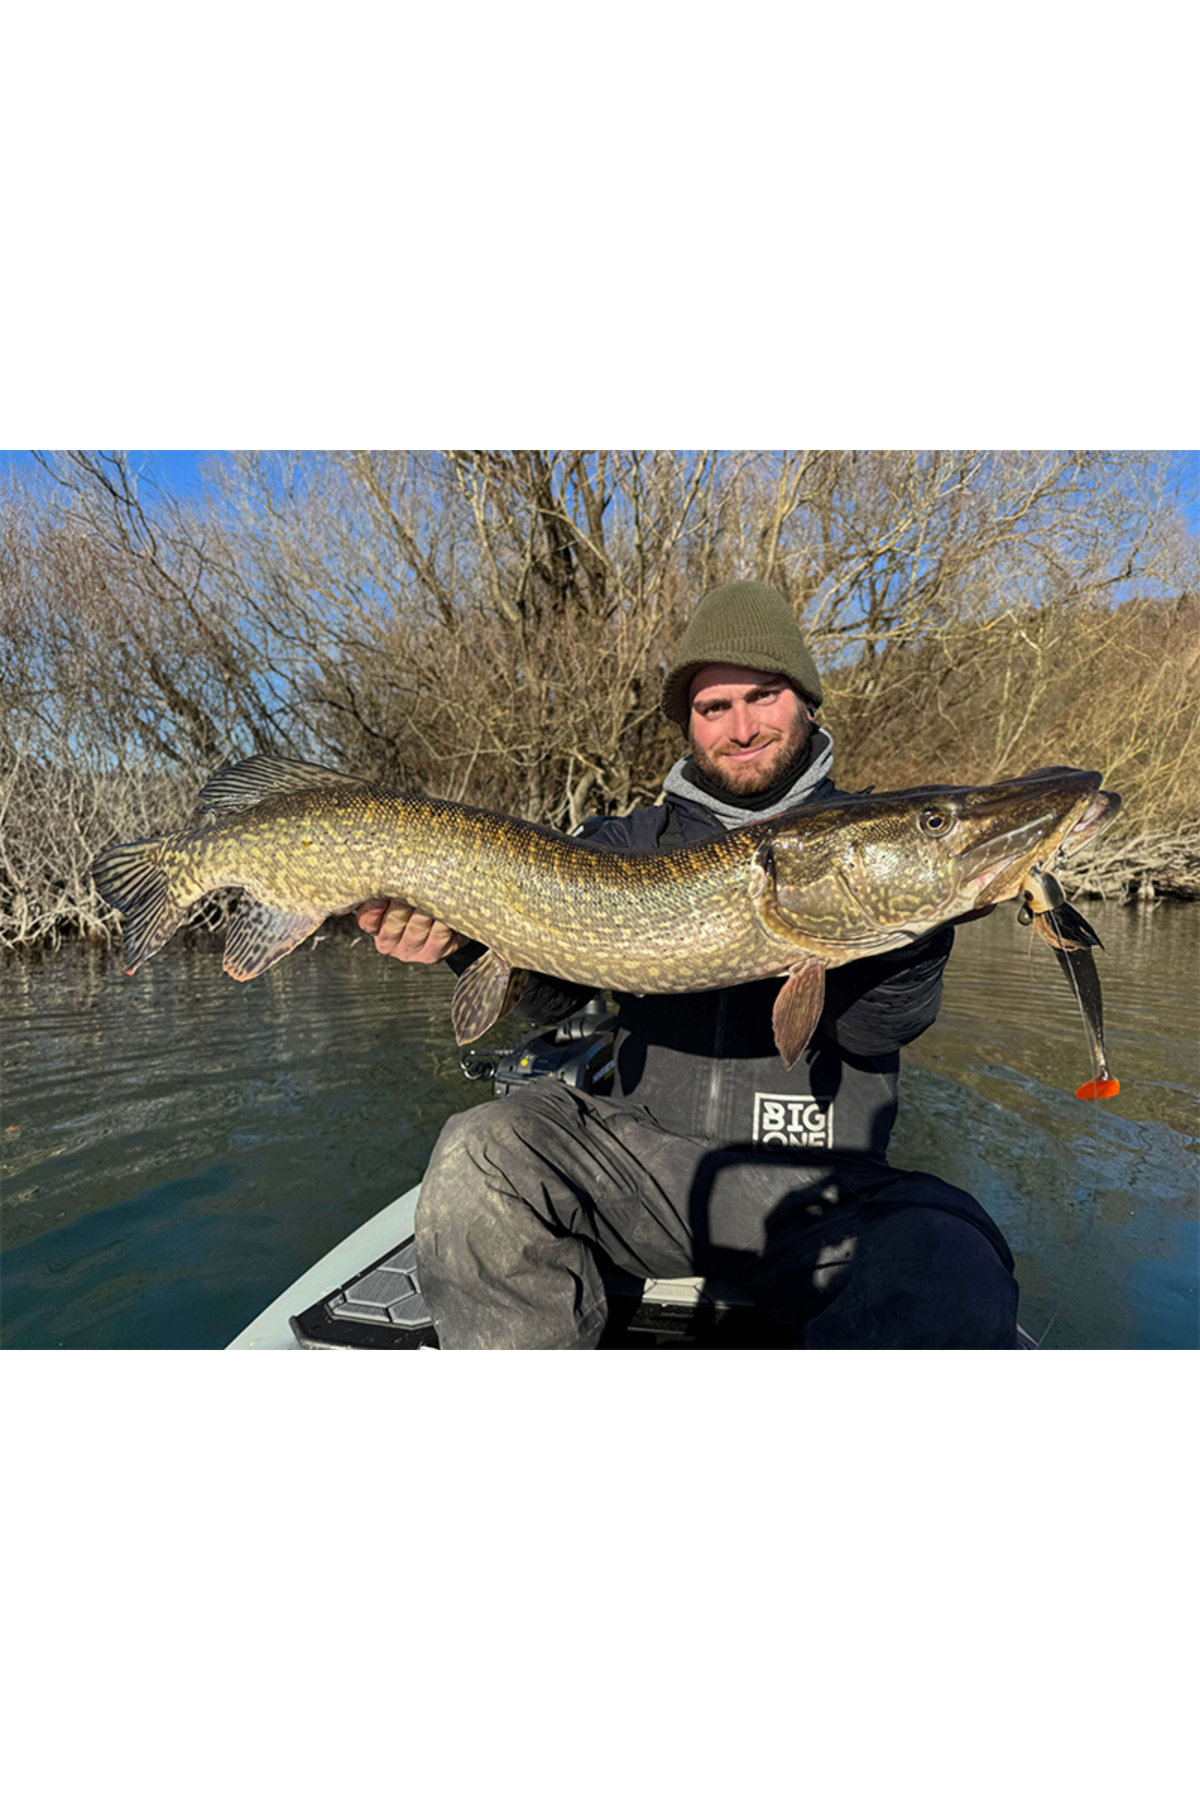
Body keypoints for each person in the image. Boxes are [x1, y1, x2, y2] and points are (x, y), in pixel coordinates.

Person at [357, 581, 1020, 1348]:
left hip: (817, 1197)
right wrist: (465, 941)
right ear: (689, 725)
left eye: (762, 696)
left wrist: (927, 916)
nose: (740, 728)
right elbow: (550, 1000)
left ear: (805, 700)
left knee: (953, 1260)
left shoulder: (861, 832)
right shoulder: (627, 845)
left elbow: (880, 1028)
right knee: (481, 1148)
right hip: (640, 1169)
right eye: (713, 708)